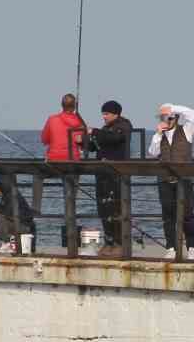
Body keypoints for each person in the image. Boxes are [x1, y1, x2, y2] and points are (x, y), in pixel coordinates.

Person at [148, 103, 194, 257]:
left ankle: (192, 247)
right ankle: (171, 247)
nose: (167, 120)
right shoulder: (158, 135)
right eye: (164, 117)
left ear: (176, 117)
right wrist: (157, 135)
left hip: (184, 180)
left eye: (169, 117)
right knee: (168, 216)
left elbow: (192, 113)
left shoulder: (186, 131)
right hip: (165, 180)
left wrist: (172, 108)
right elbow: (152, 152)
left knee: (187, 215)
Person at [85, 101, 133, 254]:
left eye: (106, 114)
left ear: (115, 113)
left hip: (116, 174)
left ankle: (120, 243)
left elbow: (115, 138)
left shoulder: (124, 125)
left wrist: (95, 132)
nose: (104, 117)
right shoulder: (105, 129)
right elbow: (95, 145)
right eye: (103, 114)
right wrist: (83, 141)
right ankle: (109, 242)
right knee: (104, 209)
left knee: (116, 208)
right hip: (102, 173)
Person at [0, 177, 37, 246]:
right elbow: (1, 208)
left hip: (23, 226)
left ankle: (6, 243)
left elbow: (7, 212)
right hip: (14, 222)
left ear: (2, 187)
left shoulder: (13, 196)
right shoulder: (6, 195)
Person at [41, 93, 86, 161]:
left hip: (54, 158)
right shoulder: (79, 122)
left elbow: (44, 140)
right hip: (73, 159)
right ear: (74, 106)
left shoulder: (52, 119)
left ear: (62, 105)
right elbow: (83, 142)